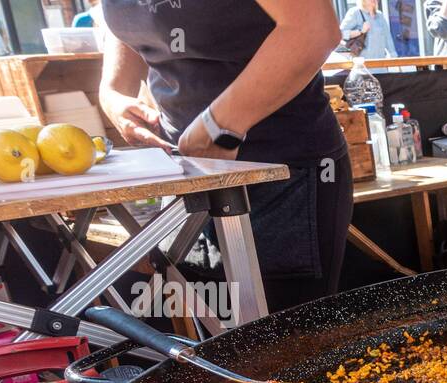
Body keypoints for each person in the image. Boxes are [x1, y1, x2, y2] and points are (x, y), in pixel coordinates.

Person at [97, 0, 353, 313]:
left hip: (283, 173)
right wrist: (112, 95)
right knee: (211, 336)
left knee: (290, 343)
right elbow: (130, 23)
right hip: (184, 172)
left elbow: (314, 30)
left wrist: (220, 126)